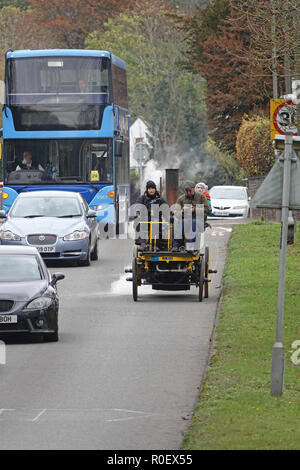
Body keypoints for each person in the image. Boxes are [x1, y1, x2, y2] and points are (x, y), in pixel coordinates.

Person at [173, 180, 209, 251]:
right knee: (182, 223)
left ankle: (191, 246)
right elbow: (176, 213)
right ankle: (176, 245)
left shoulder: (201, 197)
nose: (188, 192)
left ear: (193, 189)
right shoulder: (181, 199)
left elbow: (207, 209)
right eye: (186, 191)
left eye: (190, 190)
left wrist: (194, 209)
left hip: (199, 221)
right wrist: (182, 211)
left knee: (193, 223)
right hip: (186, 220)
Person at [135, 180, 167, 250]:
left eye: (152, 188)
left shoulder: (159, 199)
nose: (151, 190)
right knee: (138, 222)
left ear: (155, 189)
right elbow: (138, 205)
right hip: (144, 219)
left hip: (155, 219)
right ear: (147, 190)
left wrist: (169, 215)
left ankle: (155, 245)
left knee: (155, 222)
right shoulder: (142, 198)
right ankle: (142, 243)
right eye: (149, 188)